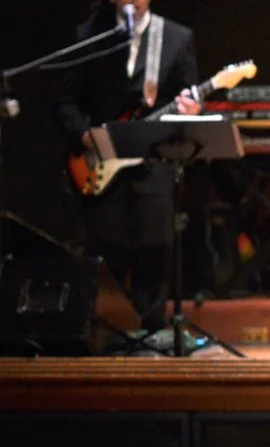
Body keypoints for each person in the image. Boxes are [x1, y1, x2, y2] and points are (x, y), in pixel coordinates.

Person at [55, 0, 201, 331]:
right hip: (100, 162)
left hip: (153, 161)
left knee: (155, 248)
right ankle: (104, 332)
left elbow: (187, 97)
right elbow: (65, 103)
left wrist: (191, 110)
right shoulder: (89, 36)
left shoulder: (176, 37)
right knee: (106, 251)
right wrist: (85, 136)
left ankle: (150, 332)